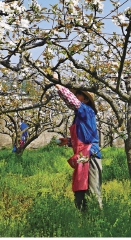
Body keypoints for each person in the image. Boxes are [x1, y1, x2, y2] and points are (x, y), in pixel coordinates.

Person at [54, 79, 103, 211]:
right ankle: (83, 220)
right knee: (80, 189)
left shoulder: (87, 110)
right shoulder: (79, 116)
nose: (76, 95)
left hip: (90, 154)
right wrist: (69, 141)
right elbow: (83, 137)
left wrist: (58, 86)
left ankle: (97, 220)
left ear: (86, 99)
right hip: (82, 156)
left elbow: (72, 101)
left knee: (93, 190)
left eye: (79, 93)